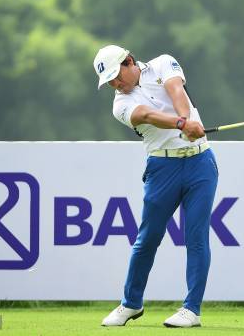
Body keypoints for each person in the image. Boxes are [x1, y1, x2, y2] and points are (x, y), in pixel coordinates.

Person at [93, 45, 219, 328]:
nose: (116, 84)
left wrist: (186, 122)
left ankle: (191, 309)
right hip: (163, 168)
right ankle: (130, 304)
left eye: (117, 76)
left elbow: (177, 92)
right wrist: (181, 124)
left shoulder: (164, 63)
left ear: (129, 61)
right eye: (110, 81)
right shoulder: (119, 105)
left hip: (200, 163)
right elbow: (147, 116)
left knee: (196, 236)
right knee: (147, 238)